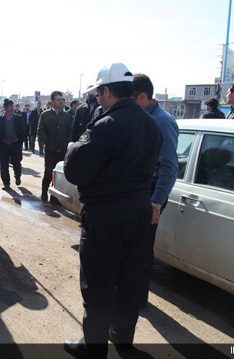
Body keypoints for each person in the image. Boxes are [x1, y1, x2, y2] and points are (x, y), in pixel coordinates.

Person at [63, 63, 161, 358]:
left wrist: (71, 148)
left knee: (98, 286)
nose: (97, 100)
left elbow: (76, 171)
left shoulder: (106, 126)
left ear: (107, 91)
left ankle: (93, 349)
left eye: (98, 94)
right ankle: (123, 340)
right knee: (131, 281)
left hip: (106, 218)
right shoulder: (151, 124)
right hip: (140, 215)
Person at [132, 73, 179, 308]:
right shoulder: (140, 117)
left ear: (142, 96)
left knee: (141, 251)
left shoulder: (163, 122)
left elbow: (169, 167)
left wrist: (156, 203)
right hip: (137, 191)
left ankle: (138, 300)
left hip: (150, 195)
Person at [37, 91, 72, 202]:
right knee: (48, 172)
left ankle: (55, 197)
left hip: (62, 150)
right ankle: (44, 193)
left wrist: (68, 143)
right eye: (58, 99)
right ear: (52, 102)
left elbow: (69, 131)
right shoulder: (45, 115)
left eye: (62, 99)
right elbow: (41, 132)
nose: (61, 101)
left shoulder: (66, 116)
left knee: (58, 175)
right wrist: (48, 142)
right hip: (50, 150)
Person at [0, 99, 24, 189]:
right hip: (3, 145)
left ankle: (17, 176)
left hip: (15, 144)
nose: (12, 108)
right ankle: (6, 183)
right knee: (4, 166)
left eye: (12, 106)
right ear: (5, 108)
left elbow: (22, 132)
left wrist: (20, 144)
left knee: (16, 163)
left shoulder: (18, 118)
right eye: (10, 106)